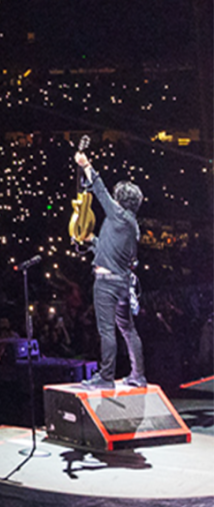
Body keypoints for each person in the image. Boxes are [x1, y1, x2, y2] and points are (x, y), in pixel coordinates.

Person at [74, 150, 146, 389]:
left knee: (106, 330)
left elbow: (100, 190)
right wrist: (91, 240)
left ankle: (106, 378)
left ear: (121, 199)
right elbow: (109, 251)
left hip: (106, 284)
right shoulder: (131, 225)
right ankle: (138, 375)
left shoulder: (118, 214)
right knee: (127, 329)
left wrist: (86, 164)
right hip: (122, 283)